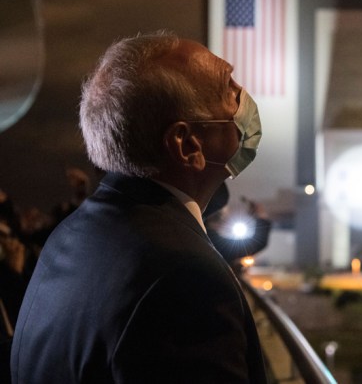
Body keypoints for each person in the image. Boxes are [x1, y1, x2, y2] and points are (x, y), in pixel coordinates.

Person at [10, 31, 267, 383]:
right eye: (228, 88)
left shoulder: (71, 236)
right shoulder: (185, 278)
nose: (243, 97)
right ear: (188, 145)